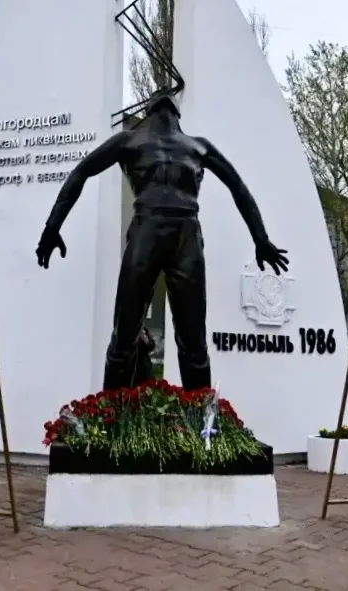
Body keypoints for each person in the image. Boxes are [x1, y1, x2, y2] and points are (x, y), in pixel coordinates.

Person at [36, 91, 288, 391]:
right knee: (124, 334)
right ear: (154, 111)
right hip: (147, 229)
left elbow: (239, 187)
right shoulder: (130, 141)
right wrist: (52, 226)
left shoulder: (198, 146)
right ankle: (109, 415)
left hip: (186, 234)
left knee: (193, 340)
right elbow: (81, 172)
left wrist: (261, 239)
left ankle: (199, 418)